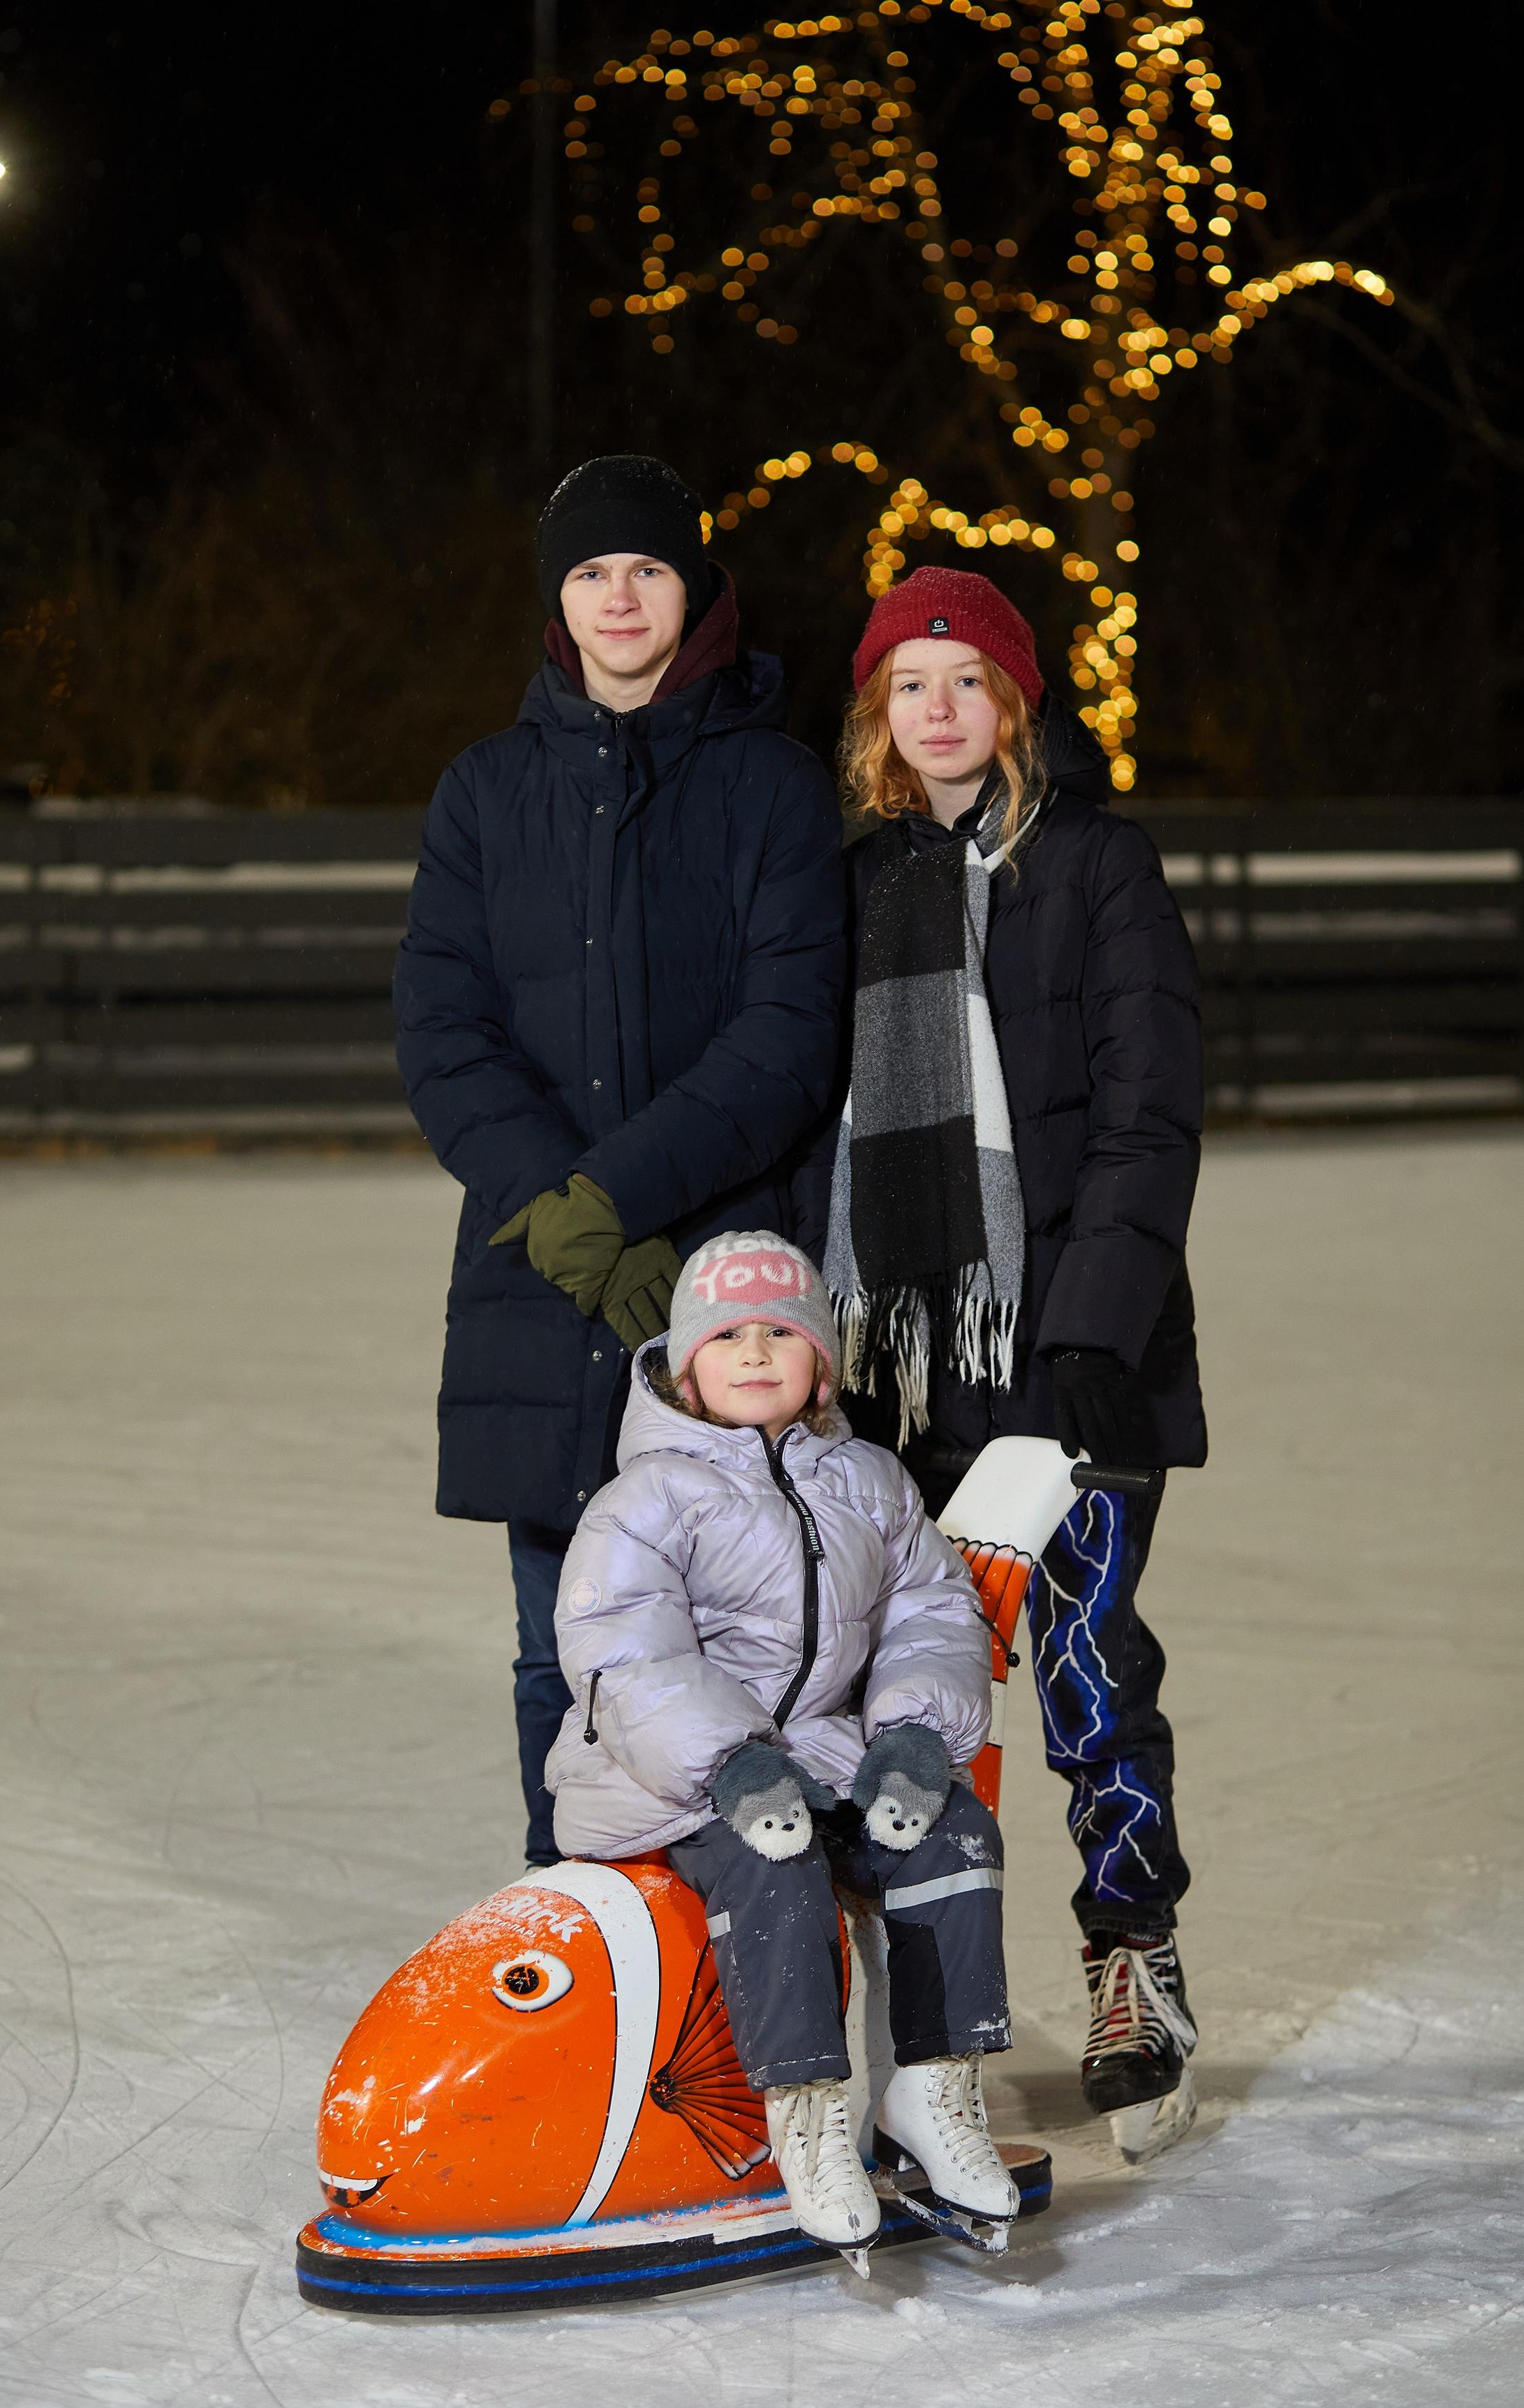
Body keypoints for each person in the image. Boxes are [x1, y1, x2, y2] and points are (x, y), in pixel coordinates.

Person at [807, 562, 1206, 2158]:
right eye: (908, 684)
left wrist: (1093, 1326)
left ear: (1015, 702)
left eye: (965, 679)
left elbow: (1148, 1107)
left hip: (1078, 1359)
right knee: (914, 1704)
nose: (938, 708)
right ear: (877, 715)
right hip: (912, 1371)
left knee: (1090, 1673)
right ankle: (933, 2026)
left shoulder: (1098, 864)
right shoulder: (857, 884)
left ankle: (1134, 1963)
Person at [394, 455, 845, 1868]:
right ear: (558, 600)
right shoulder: (484, 794)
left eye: (646, 568)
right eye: (590, 573)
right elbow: (444, 1032)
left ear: (694, 588)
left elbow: (788, 1036)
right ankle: (586, 1947)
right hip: (543, 1290)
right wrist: (564, 1216)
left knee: (746, 1662)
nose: (619, 597)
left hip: (724, 1286)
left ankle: (749, 1962)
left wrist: (614, 1199)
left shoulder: (773, 785)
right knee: (563, 1656)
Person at [546, 1231, 1018, 2254]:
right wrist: (731, 1762)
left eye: (781, 1333)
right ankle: (806, 2114)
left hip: (826, 1755)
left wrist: (913, 1736)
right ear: (687, 1365)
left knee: (954, 1835)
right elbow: (623, 1653)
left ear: (822, 1363)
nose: (755, 1353)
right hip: (666, 1777)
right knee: (780, 1859)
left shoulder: (872, 1481)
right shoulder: (646, 1498)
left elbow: (932, 1613)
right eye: (727, 1336)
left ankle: (933, 2089)